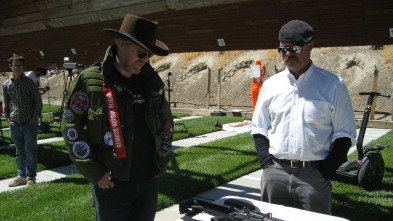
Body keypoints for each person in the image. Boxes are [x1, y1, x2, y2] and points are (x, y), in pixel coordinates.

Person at [60, 14, 173, 221]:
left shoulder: (151, 81)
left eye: (148, 55)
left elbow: (166, 123)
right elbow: (71, 127)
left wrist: (162, 161)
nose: (145, 60)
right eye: (141, 53)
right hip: (112, 184)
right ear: (122, 43)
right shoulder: (91, 80)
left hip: (148, 181)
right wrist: (95, 173)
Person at [251, 20, 356, 214]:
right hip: (275, 173)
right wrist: (267, 164)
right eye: (283, 50)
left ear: (310, 46)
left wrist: (324, 171)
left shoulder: (333, 85)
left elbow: (344, 134)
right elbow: (259, 128)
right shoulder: (271, 85)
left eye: (294, 48)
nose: (288, 54)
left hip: (313, 177)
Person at [3, 55, 43, 187]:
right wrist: (8, 118)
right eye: (15, 65)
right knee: (19, 151)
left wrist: (35, 116)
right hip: (14, 123)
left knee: (30, 150)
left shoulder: (29, 83)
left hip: (28, 122)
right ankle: (21, 176)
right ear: (10, 67)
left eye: (20, 65)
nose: (18, 68)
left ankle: (31, 176)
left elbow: (38, 101)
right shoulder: (6, 84)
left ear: (23, 67)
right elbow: (6, 102)